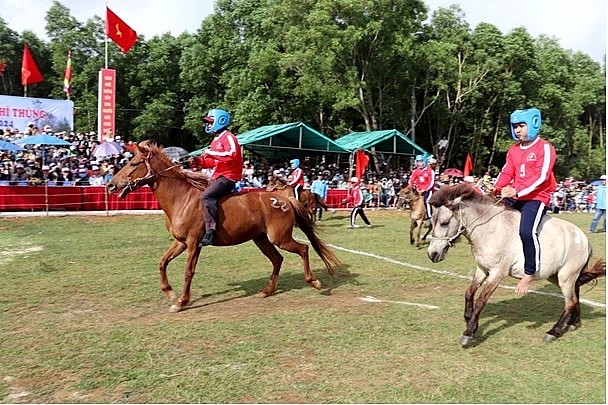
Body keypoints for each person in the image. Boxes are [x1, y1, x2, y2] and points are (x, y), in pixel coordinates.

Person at [493, 108, 556, 295]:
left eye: (521, 126)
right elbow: (507, 172)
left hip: (536, 198)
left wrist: (516, 190)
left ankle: (529, 272)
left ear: (533, 124)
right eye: (515, 126)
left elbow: (541, 177)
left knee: (526, 231)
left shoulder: (544, 147)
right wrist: (495, 187)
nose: (518, 130)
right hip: (515, 195)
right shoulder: (513, 150)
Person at [191, 108, 243, 247]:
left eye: (210, 122)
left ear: (220, 122)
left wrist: (210, 152)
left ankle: (211, 232)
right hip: (217, 177)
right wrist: (199, 161)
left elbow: (232, 154)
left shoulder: (229, 137)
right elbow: (213, 163)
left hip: (228, 177)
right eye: (207, 123)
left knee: (205, 197)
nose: (208, 125)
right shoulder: (215, 141)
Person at [408, 155, 435, 227]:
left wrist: (425, 189)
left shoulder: (430, 171)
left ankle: (429, 217)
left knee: (427, 201)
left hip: (428, 190)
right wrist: (411, 187)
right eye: (418, 162)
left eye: (421, 162)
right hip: (418, 190)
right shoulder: (415, 171)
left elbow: (431, 182)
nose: (419, 164)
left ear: (425, 162)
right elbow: (411, 180)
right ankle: (415, 217)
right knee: (411, 200)